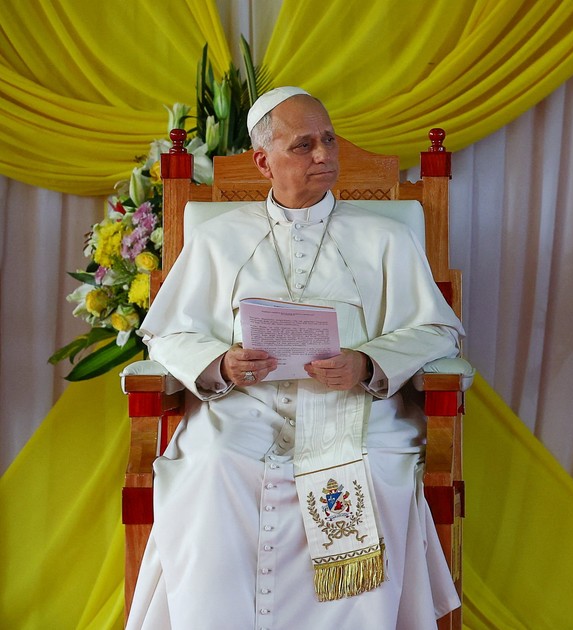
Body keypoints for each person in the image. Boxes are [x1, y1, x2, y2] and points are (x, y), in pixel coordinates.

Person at [126, 87, 464, 629]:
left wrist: (367, 363)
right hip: (242, 410)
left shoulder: (387, 238)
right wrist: (221, 364)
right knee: (210, 468)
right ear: (264, 162)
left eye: (328, 140)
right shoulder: (217, 239)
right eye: (303, 145)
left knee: (373, 472)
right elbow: (169, 333)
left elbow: (437, 329)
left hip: (352, 409)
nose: (324, 155)